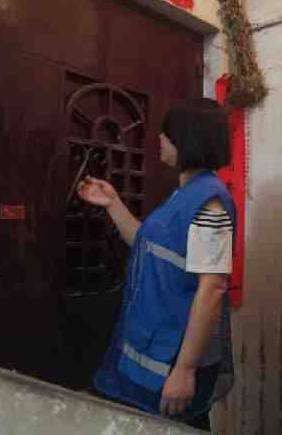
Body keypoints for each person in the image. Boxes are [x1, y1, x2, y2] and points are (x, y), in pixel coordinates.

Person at [78, 99, 235, 431]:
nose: (160, 139)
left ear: (188, 139)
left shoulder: (210, 202)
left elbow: (212, 288)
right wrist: (112, 203)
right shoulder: (184, 194)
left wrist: (185, 370)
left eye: (167, 133)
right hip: (153, 348)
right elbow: (147, 246)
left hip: (172, 358)